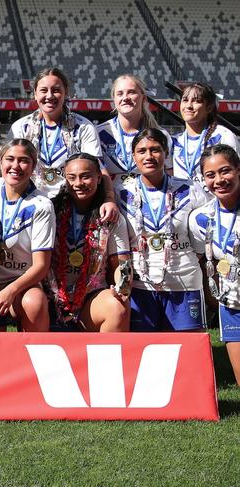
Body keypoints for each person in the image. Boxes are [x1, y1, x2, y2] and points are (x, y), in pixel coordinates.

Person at [116, 129, 206, 331]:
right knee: (144, 353)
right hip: (140, 286)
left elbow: (203, 237)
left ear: (166, 153)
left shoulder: (190, 190)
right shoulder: (120, 192)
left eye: (155, 149)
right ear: (133, 156)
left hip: (184, 284)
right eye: (142, 151)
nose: (149, 156)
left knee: (188, 351)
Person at [8, 67, 117, 222]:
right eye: (44, 90)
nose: (49, 96)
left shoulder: (83, 127)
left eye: (56, 90)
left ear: (66, 92)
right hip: (30, 203)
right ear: (35, 93)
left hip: (71, 205)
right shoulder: (20, 127)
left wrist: (109, 198)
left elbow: (97, 167)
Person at [0, 139, 55, 332]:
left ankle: (36, 354)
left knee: (34, 302)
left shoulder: (41, 205)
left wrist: (10, 291)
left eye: (24, 160)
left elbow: (41, 266)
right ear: (0, 162)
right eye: (10, 159)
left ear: (34, 166)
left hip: (21, 285)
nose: (15, 166)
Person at [47, 153, 131, 332]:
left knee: (116, 306)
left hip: (91, 298)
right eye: (72, 177)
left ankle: (107, 359)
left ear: (99, 178)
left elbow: (121, 264)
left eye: (86, 176)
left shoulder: (111, 217)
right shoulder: (50, 211)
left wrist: (122, 289)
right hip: (51, 297)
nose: (78, 183)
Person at [190, 144, 240, 384]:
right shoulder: (200, 218)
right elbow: (204, 260)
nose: (219, 180)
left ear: (238, 170)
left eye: (225, 171)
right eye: (211, 175)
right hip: (232, 303)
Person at [97, 74, 172, 181]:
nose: (125, 98)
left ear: (143, 98)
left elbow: (169, 174)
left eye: (131, 92)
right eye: (120, 93)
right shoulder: (99, 133)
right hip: (111, 197)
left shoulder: (160, 135)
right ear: (114, 99)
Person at [173, 82, 240, 190]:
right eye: (185, 100)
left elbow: (235, 175)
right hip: (183, 205)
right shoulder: (174, 141)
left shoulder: (223, 136)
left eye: (197, 101)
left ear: (209, 108)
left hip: (216, 204)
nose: (189, 106)